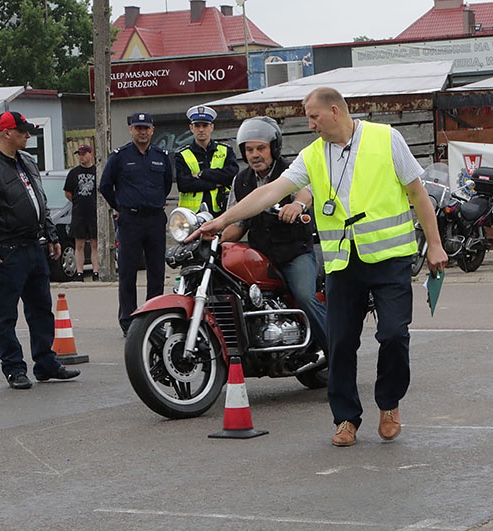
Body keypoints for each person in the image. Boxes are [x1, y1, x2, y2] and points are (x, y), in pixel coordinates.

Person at [190, 87, 447, 447]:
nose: (310, 124)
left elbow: (417, 193)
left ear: (335, 111)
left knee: (393, 335)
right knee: (340, 343)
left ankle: (389, 404)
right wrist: (222, 220)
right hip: (343, 262)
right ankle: (345, 419)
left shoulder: (386, 139)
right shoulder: (312, 156)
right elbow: (272, 191)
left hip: (390, 259)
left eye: (313, 116)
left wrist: (434, 245)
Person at [0, 111, 80, 389]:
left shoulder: (26, 161)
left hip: (34, 247)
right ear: (6, 133)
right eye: (23, 131)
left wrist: (51, 235)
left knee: (42, 309)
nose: (28, 135)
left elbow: (39, 201)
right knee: (5, 314)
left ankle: (46, 363)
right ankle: (14, 368)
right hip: (6, 250)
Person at [221, 116, 328, 354]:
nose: (255, 154)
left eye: (260, 148)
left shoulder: (291, 170)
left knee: (304, 297)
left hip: (294, 253)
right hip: (261, 256)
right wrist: (214, 238)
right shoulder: (241, 180)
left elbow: (305, 193)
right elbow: (237, 224)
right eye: (249, 150)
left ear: (273, 148)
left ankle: (336, 354)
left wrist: (296, 206)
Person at [99, 112, 173, 336]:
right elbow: (105, 185)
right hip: (130, 220)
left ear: (152, 130)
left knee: (156, 273)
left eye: (146, 128)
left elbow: (167, 184)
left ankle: (154, 320)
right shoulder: (120, 156)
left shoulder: (161, 156)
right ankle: (129, 322)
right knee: (128, 273)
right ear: (131, 129)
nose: (142, 132)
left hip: (155, 219)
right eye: (138, 128)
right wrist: (121, 206)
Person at [174, 105, 239, 214]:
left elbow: (232, 176)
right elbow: (184, 184)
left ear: (212, 127)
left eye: (205, 125)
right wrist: (215, 184)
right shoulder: (182, 154)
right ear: (191, 128)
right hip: (192, 214)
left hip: (221, 211)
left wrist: (202, 174)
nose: (201, 129)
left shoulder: (225, 150)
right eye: (197, 125)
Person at [64, 144, 99, 281]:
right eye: (79, 154)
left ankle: (96, 271)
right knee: (79, 244)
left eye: (84, 154)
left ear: (90, 154)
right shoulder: (74, 173)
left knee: (95, 243)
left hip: (94, 212)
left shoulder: (97, 171)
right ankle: (79, 272)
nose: (81, 157)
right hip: (79, 213)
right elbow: (68, 192)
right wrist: (78, 201)